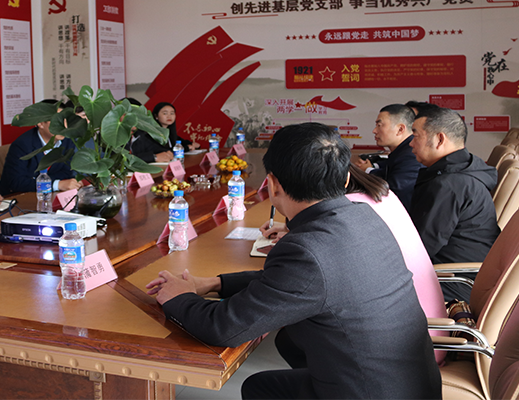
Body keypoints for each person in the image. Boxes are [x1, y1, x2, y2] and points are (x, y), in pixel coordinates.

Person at [146, 123, 440, 399]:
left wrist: (178, 297)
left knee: (262, 387)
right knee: (271, 370)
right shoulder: (363, 216)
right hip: (411, 384)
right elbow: (296, 281)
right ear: (347, 178)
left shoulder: (307, 249)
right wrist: (215, 283)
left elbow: (224, 327)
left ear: (272, 185)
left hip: (369, 391)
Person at [262, 163, 448, 363]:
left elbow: (318, 263)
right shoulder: (380, 195)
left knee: (297, 331)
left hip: (410, 340)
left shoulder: (347, 210)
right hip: (424, 321)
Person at [409, 107, 499, 302]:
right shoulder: (464, 170)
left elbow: (422, 248)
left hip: (455, 281)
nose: (411, 143)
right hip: (464, 273)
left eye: (415, 136)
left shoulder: (450, 184)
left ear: (440, 139)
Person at [0, 99, 83, 195]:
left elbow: (67, 172)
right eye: (57, 120)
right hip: (18, 198)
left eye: (66, 120)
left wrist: (43, 181)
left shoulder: (68, 140)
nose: (65, 126)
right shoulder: (22, 145)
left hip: (51, 195)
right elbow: (16, 182)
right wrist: (56, 184)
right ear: (40, 123)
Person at [353, 103, 422, 211]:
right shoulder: (402, 151)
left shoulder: (412, 154)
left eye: (379, 125)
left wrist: (367, 171)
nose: (374, 131)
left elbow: (393, 190)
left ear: (400, 129)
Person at [124, 98, 174, 163]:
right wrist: (154, 157)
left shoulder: (139, 134)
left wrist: (167, 153)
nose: (136, 119)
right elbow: (123, 159)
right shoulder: (114, 135)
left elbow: (156, 148)